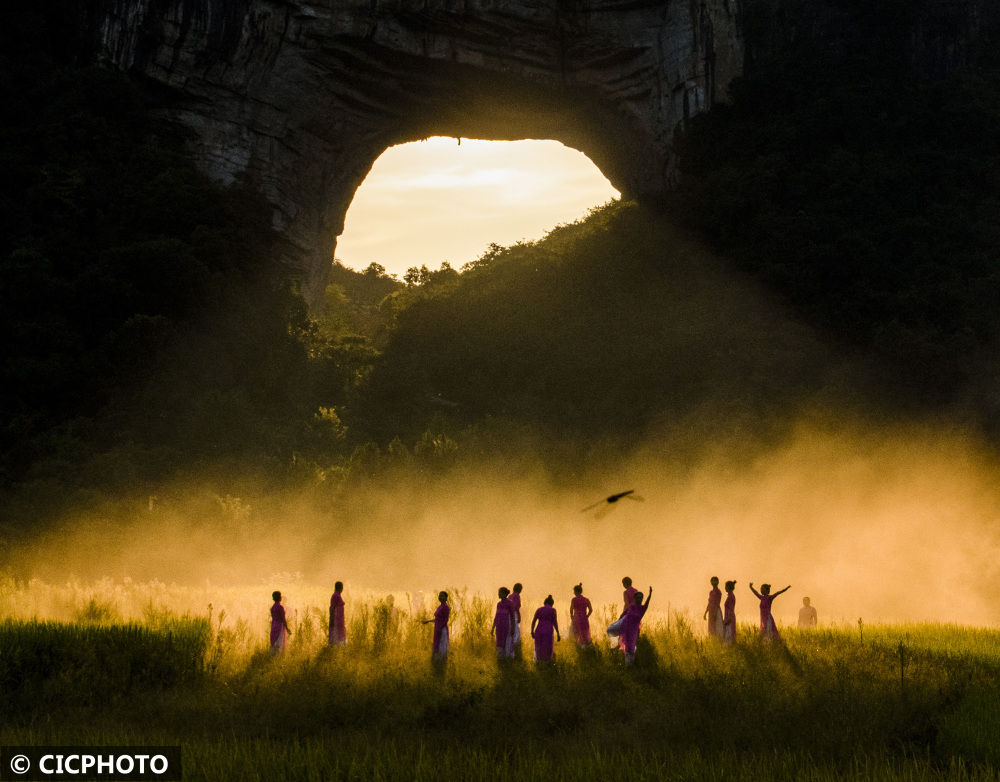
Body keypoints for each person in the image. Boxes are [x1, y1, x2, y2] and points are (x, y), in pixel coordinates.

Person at [621, 586, 652, 664]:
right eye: (638, 597)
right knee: (628, 649)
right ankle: (628, 665)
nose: (640, 599)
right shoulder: (631, 607)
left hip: (635, 631)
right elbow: (623, 615)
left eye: (641, 598)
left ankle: (631, 665)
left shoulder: (642, 609)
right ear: (635, 599)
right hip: (627, 629)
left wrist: (650, 594)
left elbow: (647, 603)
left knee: (632, 648)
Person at [531, 595, 561, 662]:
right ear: (552, 603)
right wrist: (558, 633)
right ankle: (547, 661)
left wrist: (532, 631)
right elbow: (555, 622)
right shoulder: (553, 610)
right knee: (548, 647)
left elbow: (534, 621)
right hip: (548, 631)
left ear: (544, 603)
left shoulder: (539, 609)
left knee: (539, 646)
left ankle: (539, 661)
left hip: (539, 630)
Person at [422, 590, 450, 660]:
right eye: (439, 596)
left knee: (442, 646)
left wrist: (440, 628)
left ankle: (441, 661)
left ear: (446, 598)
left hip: (442, 630)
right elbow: (437, 619)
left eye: (442, 596)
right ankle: (436, 661)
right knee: (436, 644)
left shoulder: (446, 607)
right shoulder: (440, 606)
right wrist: (428, 621)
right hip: (437, 629)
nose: (440, 597)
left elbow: (445, 620)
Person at [490, 587, 516, 659]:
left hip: (506, 626)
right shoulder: (498, 604)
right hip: (499, 626)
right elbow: (496, 616)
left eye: (499, 593)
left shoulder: (509, 603)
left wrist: (513, 628)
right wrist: (493, 628)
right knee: (499, 643)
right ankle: (500, 659)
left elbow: (512, 617)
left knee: (506, 643)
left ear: (504, 594)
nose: (498, 594)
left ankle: (506, 659)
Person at [619, 577, 638, 649]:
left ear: (625, 583)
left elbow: (627, 604)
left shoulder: (626, 592)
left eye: (623, 583)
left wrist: (622, 614)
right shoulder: (636, 591)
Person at [270, 590, 291, 655]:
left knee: (274, 641)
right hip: (279, 626)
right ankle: (278, 658)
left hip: (274, 626)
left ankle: (273, 656)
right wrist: (287, 629)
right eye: (280, 596)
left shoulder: (272, 608)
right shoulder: (280, 607)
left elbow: (273, 618)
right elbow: (283, 619)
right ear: (279, 598)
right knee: (280, 642)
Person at [329, 581, 347, 646]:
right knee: (336, 635)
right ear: (340, 588)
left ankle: (339, 647)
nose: (342, 589)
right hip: (336, 620)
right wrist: (332, 619)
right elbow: (332, 608)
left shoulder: (337, 595)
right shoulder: (335, 595)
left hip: (339, 620)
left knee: (339, 634)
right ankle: (336, 648)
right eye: (342, 587)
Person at [722, 580, 737, 644]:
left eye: (725, 586)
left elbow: (731, 609)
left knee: (729, 637)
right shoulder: (730, 596)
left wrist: (728, 620)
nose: (725, 588)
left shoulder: (731, 597)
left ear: (728, 587)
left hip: (729, 619)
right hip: (728, 618)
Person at [510, 583, 523, 648]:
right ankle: (515, 646)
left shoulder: (510, 595)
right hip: (514, 614)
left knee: (512, 629)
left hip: (509, 615)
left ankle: (511, 645)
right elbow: (517, 607)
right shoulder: (517, 596)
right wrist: (519, 615)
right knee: (516, 631)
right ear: (519, 589)